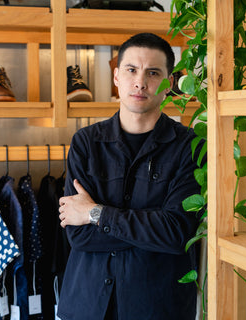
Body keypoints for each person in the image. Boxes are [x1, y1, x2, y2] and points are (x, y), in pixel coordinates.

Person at [57, 32, 202, 320]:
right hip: (87, 305)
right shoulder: (86, 143)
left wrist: (96, 214)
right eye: (131, 70)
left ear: (169, 84)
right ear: (116, 77)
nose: (140, 82)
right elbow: (78, 234)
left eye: (153, 73)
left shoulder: (190, 146)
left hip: (157, 308)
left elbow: (176, 233)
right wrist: (149, 230)